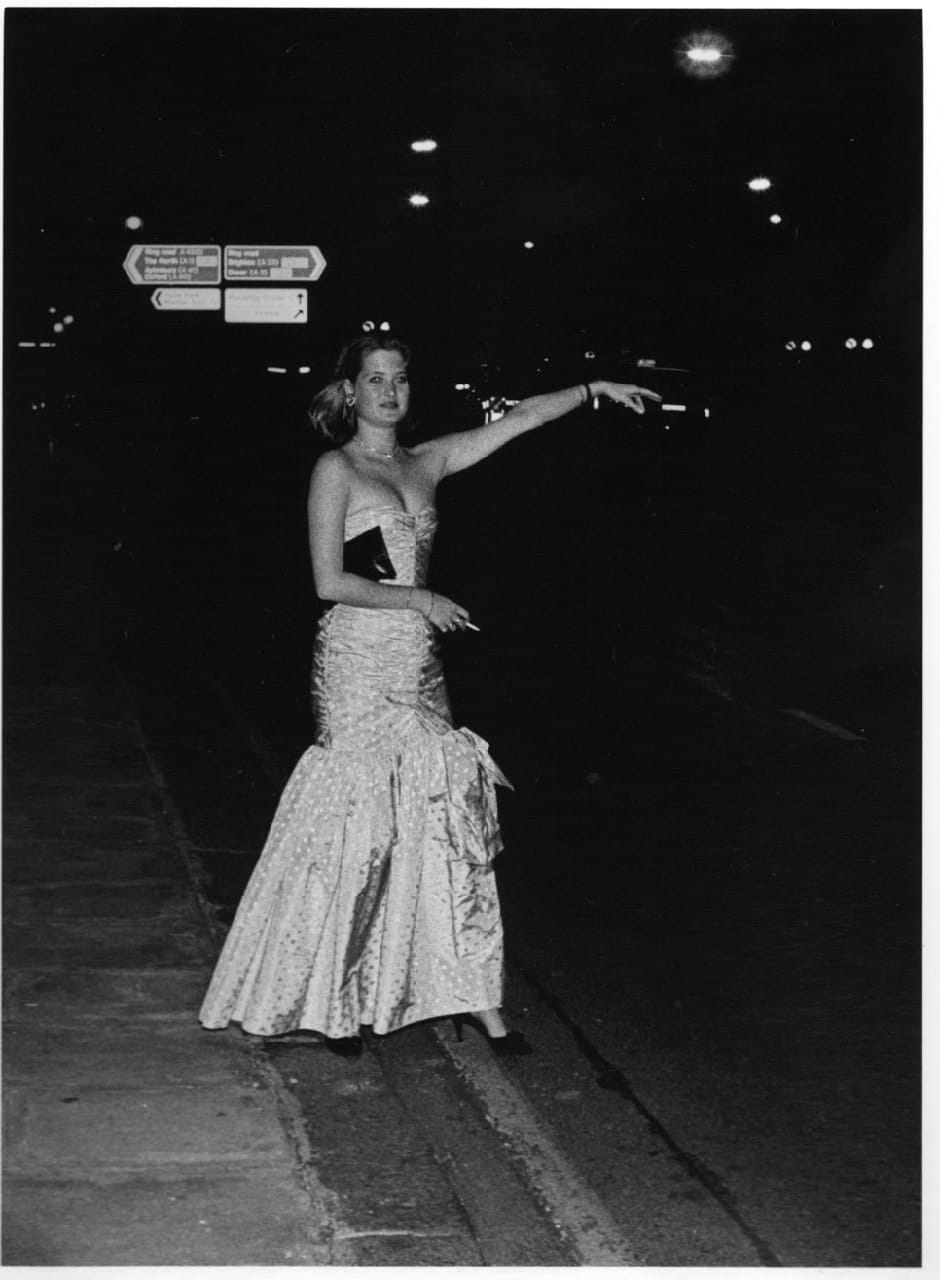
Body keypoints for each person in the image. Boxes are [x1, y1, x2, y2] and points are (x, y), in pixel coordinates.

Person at [198, 333, 660, 1055]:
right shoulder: (336, 469)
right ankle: (334, 997)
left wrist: (594, 388)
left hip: (418, 661)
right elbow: (330, 582)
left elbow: (517, 422)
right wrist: (422, 598)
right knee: (362, 828)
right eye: (374, 379)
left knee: (443, 817)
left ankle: (476, 997)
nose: (389, 392)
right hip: (358, 661)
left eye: (401, 380)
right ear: (349, 391)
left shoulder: (426, 461)